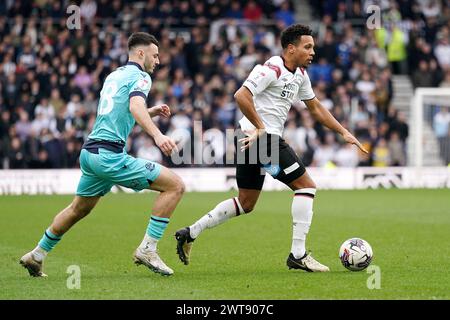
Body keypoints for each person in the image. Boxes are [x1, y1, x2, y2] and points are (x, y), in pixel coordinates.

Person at [175, 24, 367, 272]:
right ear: (290, 48)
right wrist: (261, 127)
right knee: (306, 186)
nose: (313, 52)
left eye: (313, 47)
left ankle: (191, 232)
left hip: (250, 138)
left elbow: (316, 108)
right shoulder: (272, 68)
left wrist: (343, 131)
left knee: (246, 202)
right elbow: (241, 95)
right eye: (307, 47)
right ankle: (298, 255)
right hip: (260, 138)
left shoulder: (300, 75)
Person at [20, 32, 184, 277]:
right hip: (109, 156)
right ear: (141, 53)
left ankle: (37, 255)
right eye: (155, 55)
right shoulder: (141, 77)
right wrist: (158, 136)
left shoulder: (114, 75)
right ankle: (148, 249)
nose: (158, 61)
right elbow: (133, 106)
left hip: (90, 153)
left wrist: (150, 111)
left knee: (79, 209)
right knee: (175, 186)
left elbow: (120, 110)